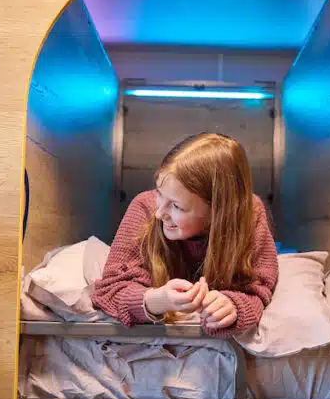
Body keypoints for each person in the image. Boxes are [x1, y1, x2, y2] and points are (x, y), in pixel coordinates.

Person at [92, 132, 279, 337]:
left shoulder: (249, 214)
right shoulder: (144, 207)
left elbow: (260, 288)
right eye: (160, 194)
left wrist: (233, 306)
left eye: (177, 207)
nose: (160, 213)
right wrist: (156, 300)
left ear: (216, 212)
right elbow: (108, 290)